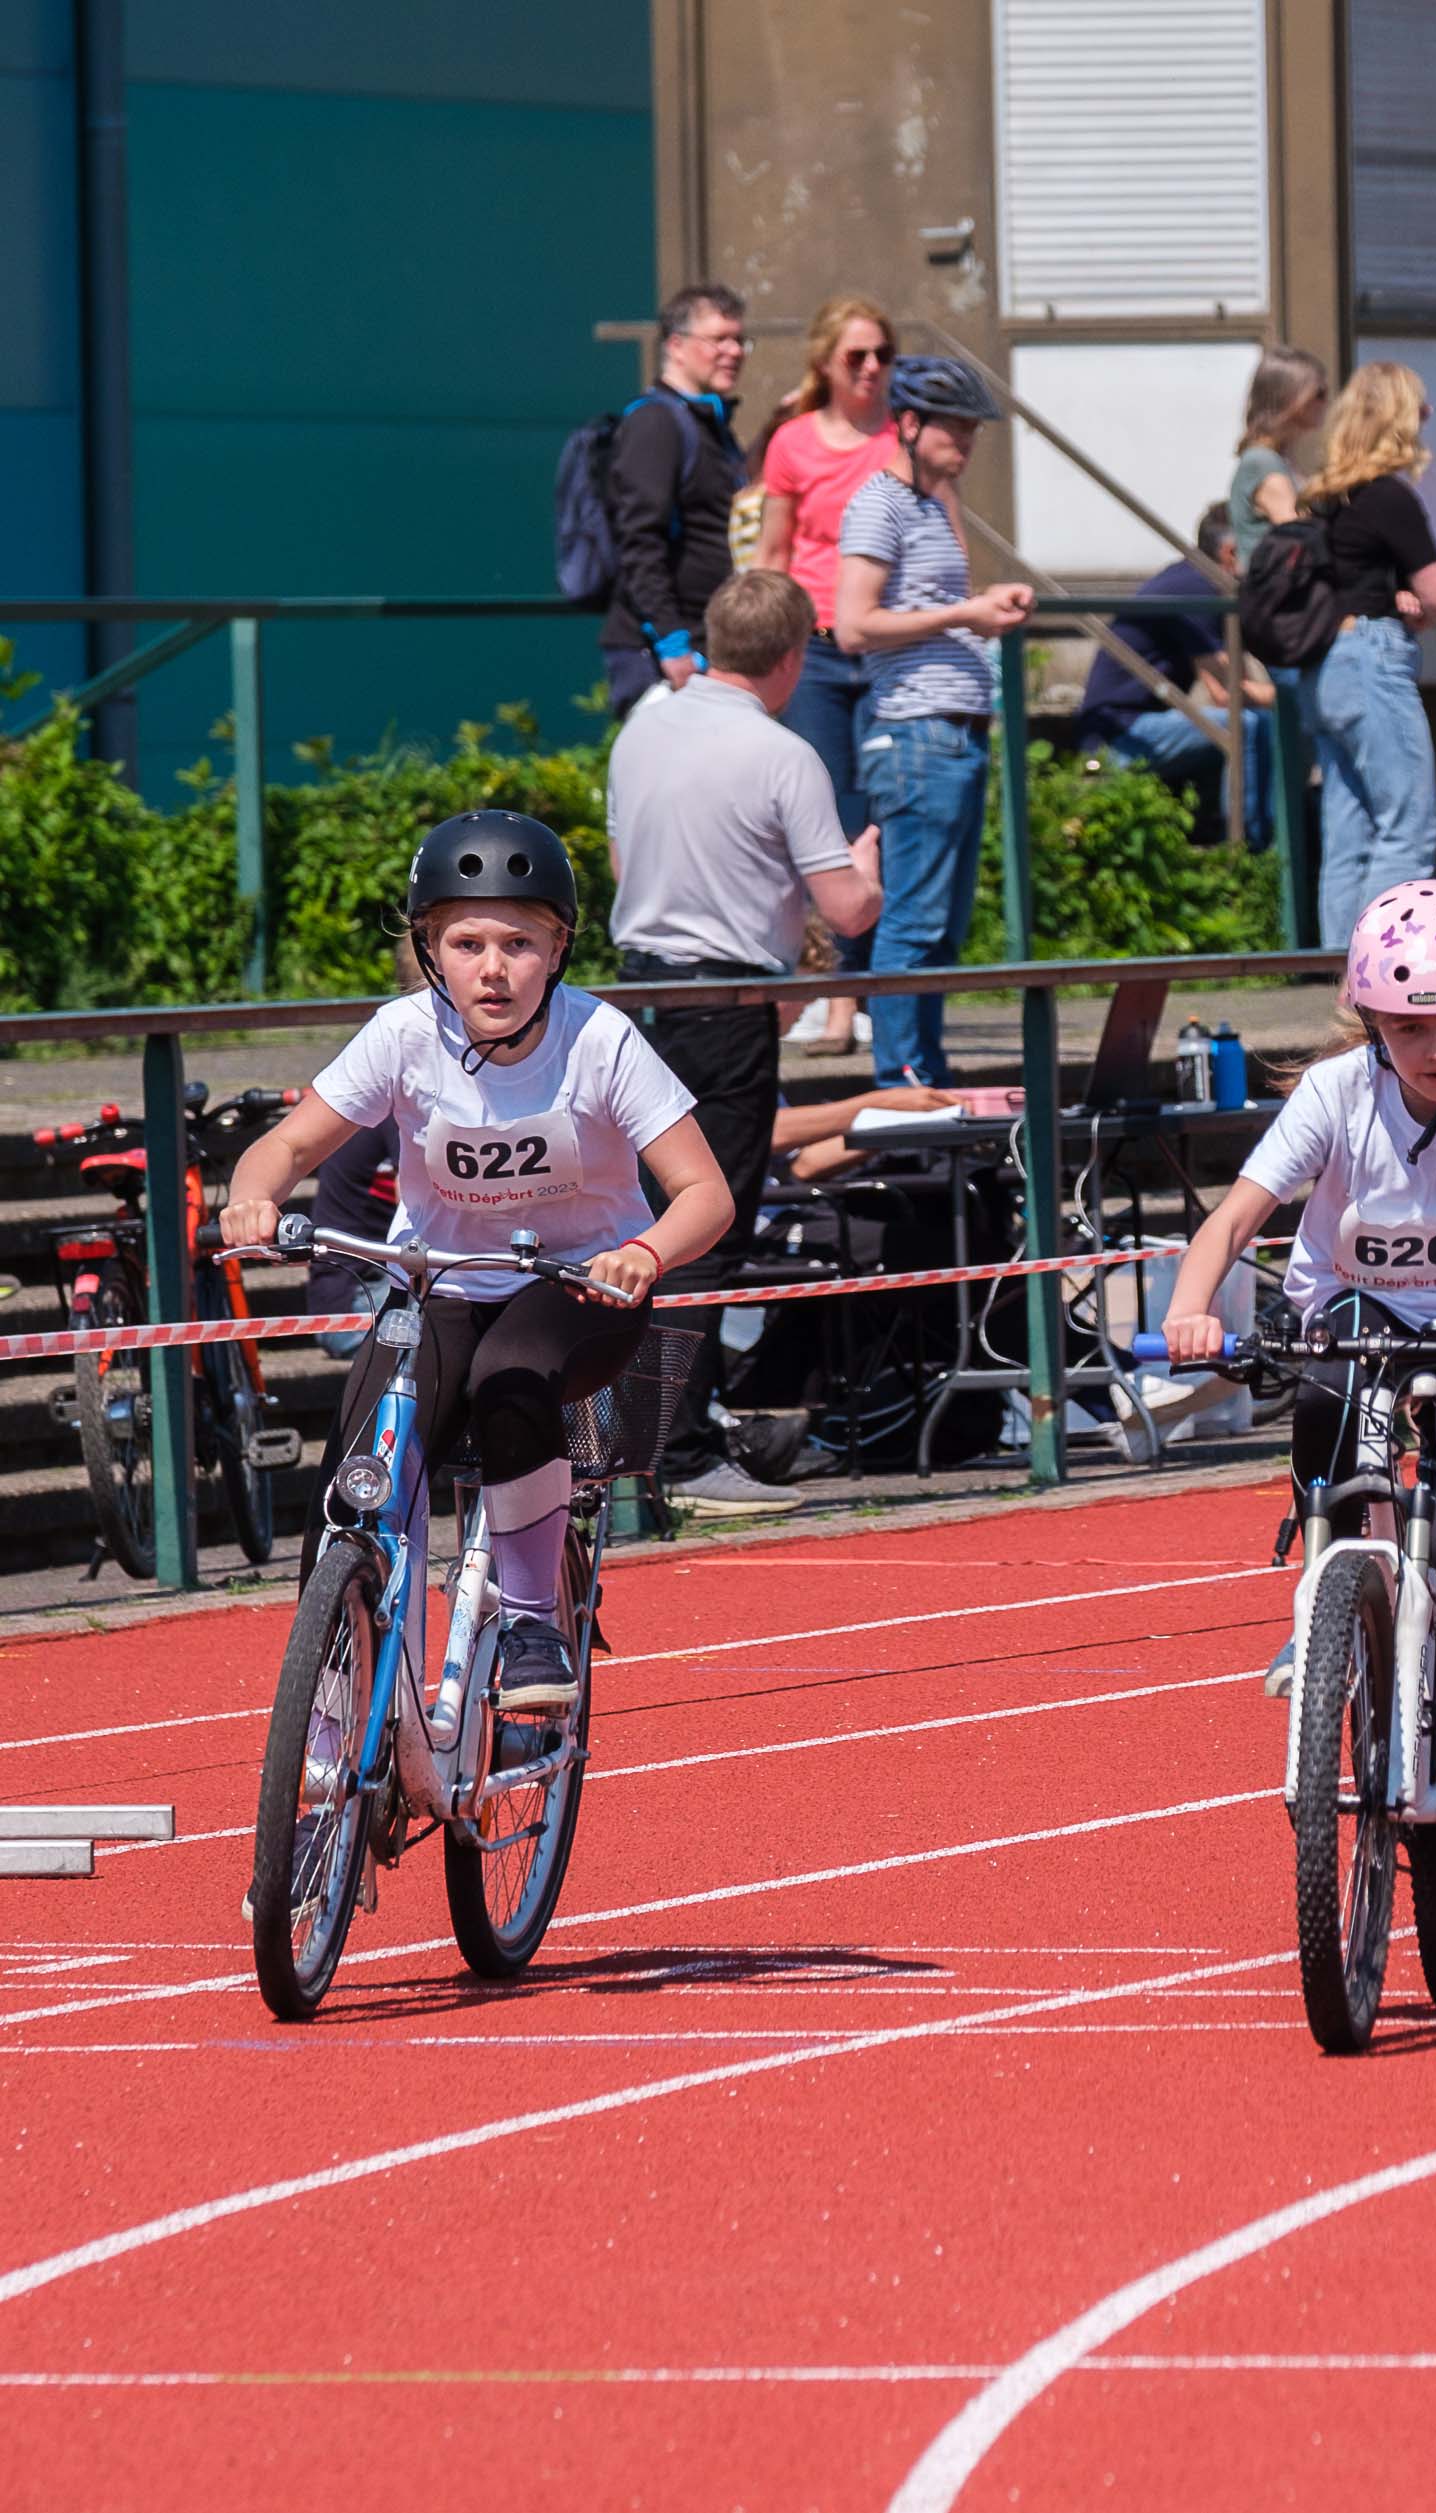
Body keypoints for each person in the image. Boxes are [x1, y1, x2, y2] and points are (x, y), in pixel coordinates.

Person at [1156, 880, 1436, 1945]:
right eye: (1411, 1025)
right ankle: (1326, 1596)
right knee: (1319, 1379)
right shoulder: (1331, 1092)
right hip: (1357, 1311)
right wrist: (1188, 1307)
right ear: (1373, 1021)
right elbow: (1239, 1213)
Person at [219, 815, 737, 1743]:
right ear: (428, 949)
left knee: (510, 1381)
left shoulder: (601, 1041)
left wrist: (646, 1252)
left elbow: (707, 1193)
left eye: (518, 943)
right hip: (441, 1281)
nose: (491, 969)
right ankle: (330, 1722)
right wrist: (253, 1196)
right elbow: (289, 1143)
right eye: (465, 943)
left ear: (558, 948)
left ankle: (534, 1620)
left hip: (579, 1287)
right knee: (359, 1471)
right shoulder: (402, 1036)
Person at [605, 566, 887, 1510]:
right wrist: (867, 868)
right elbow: (847, 912)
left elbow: (617, 857)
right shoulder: (783, 753)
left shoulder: (644, 721)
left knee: (640, 1217)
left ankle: (652, 1438)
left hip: (634, 993)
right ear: (795, 657)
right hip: (723, 1005)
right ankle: (676, 1458)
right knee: (704, 1221)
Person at [833, 355, 1031, 1087]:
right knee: (913, 924)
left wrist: (985, 608)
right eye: (956, 429)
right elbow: (853, 624)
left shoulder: (929, 503)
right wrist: (967, 614)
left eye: (973, 431)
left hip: (950, 734)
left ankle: (925, 1076)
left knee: (938, 928)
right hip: (917, 734)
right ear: (910, 424)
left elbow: (923, 608)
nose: (967, 444)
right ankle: (904, 1082)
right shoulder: (879, 504)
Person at [749, 293, 903, 1058]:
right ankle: (839, 997)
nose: (872, 367)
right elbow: (772, 554)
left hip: (886, 647)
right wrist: (756, 651)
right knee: (830, 820)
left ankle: (881, 992)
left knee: (890, 814)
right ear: (825, 363)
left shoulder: (904, 436)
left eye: (883, 354)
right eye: (856, 356)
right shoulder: (793, 442)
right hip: (811, 648)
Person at [1297, 361, 1436, 946]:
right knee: (1409, 826)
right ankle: (1381, 966)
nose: (1428, 420)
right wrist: (1424, 609)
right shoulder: (1388, 498)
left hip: (1326, 664)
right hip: (1373, 659)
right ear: (1399, 419)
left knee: (1348, 828)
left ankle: (1338, 972)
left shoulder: (1322, 498)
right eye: (1421, 409)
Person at [1076, 503, 1278, 846]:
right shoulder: (1195, 589)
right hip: (1117, 737)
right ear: (1230, 552)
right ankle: (1253, 852)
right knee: (1247, 726)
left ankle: (1260, 840)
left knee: (1258, 723)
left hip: (1134, 725)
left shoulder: (1195, 579)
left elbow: (1236, 677)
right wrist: (1292, 697)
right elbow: (1225, 693)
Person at [598, 285, 752, 718]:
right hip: (664, 657)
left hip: (703, 648)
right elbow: (638, 540)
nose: (734, 351)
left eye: (739, 339)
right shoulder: (656, 423)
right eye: (718, 339)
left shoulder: (708, 423)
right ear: (677, 346)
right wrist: (672, 643)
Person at [1227, 346, 1328, 568]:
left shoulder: (1280, 457)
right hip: (1277, 594)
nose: (1326, 401)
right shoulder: (1263, 462)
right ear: (1293, 398)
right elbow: (1299, 533)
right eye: (1320, 393)